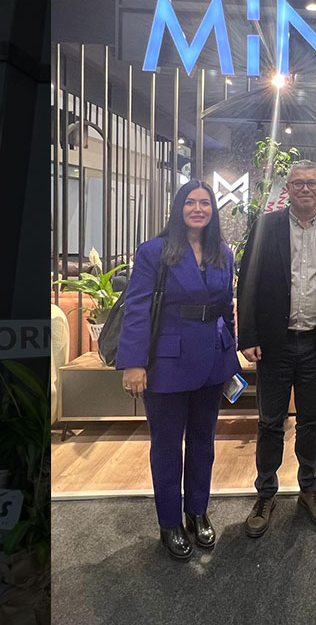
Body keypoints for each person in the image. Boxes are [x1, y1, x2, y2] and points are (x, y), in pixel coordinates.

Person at [116, 180, 241, 562]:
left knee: (203, 443)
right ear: (178, 207)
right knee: (167, 447)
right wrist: (134, 363)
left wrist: (232, 356)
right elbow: (137, 308)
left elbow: (226, 308)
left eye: (205, 203)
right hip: (166, 362)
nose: (198, 209)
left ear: (213, 210)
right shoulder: (154, 251)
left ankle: (197, 511)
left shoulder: (223, 252)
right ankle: (169, 522)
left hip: (213, 359)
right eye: (191, 202)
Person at [237, 160, 316, 537]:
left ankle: (309, 488)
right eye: (298, 183)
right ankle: (266, 492)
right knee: (270, 421)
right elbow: (248, 282)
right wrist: (248, 336)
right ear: (287, 189)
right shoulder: (266, 226)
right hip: (274, 344)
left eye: (311, 183)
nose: (305, 189)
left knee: (311, 420)